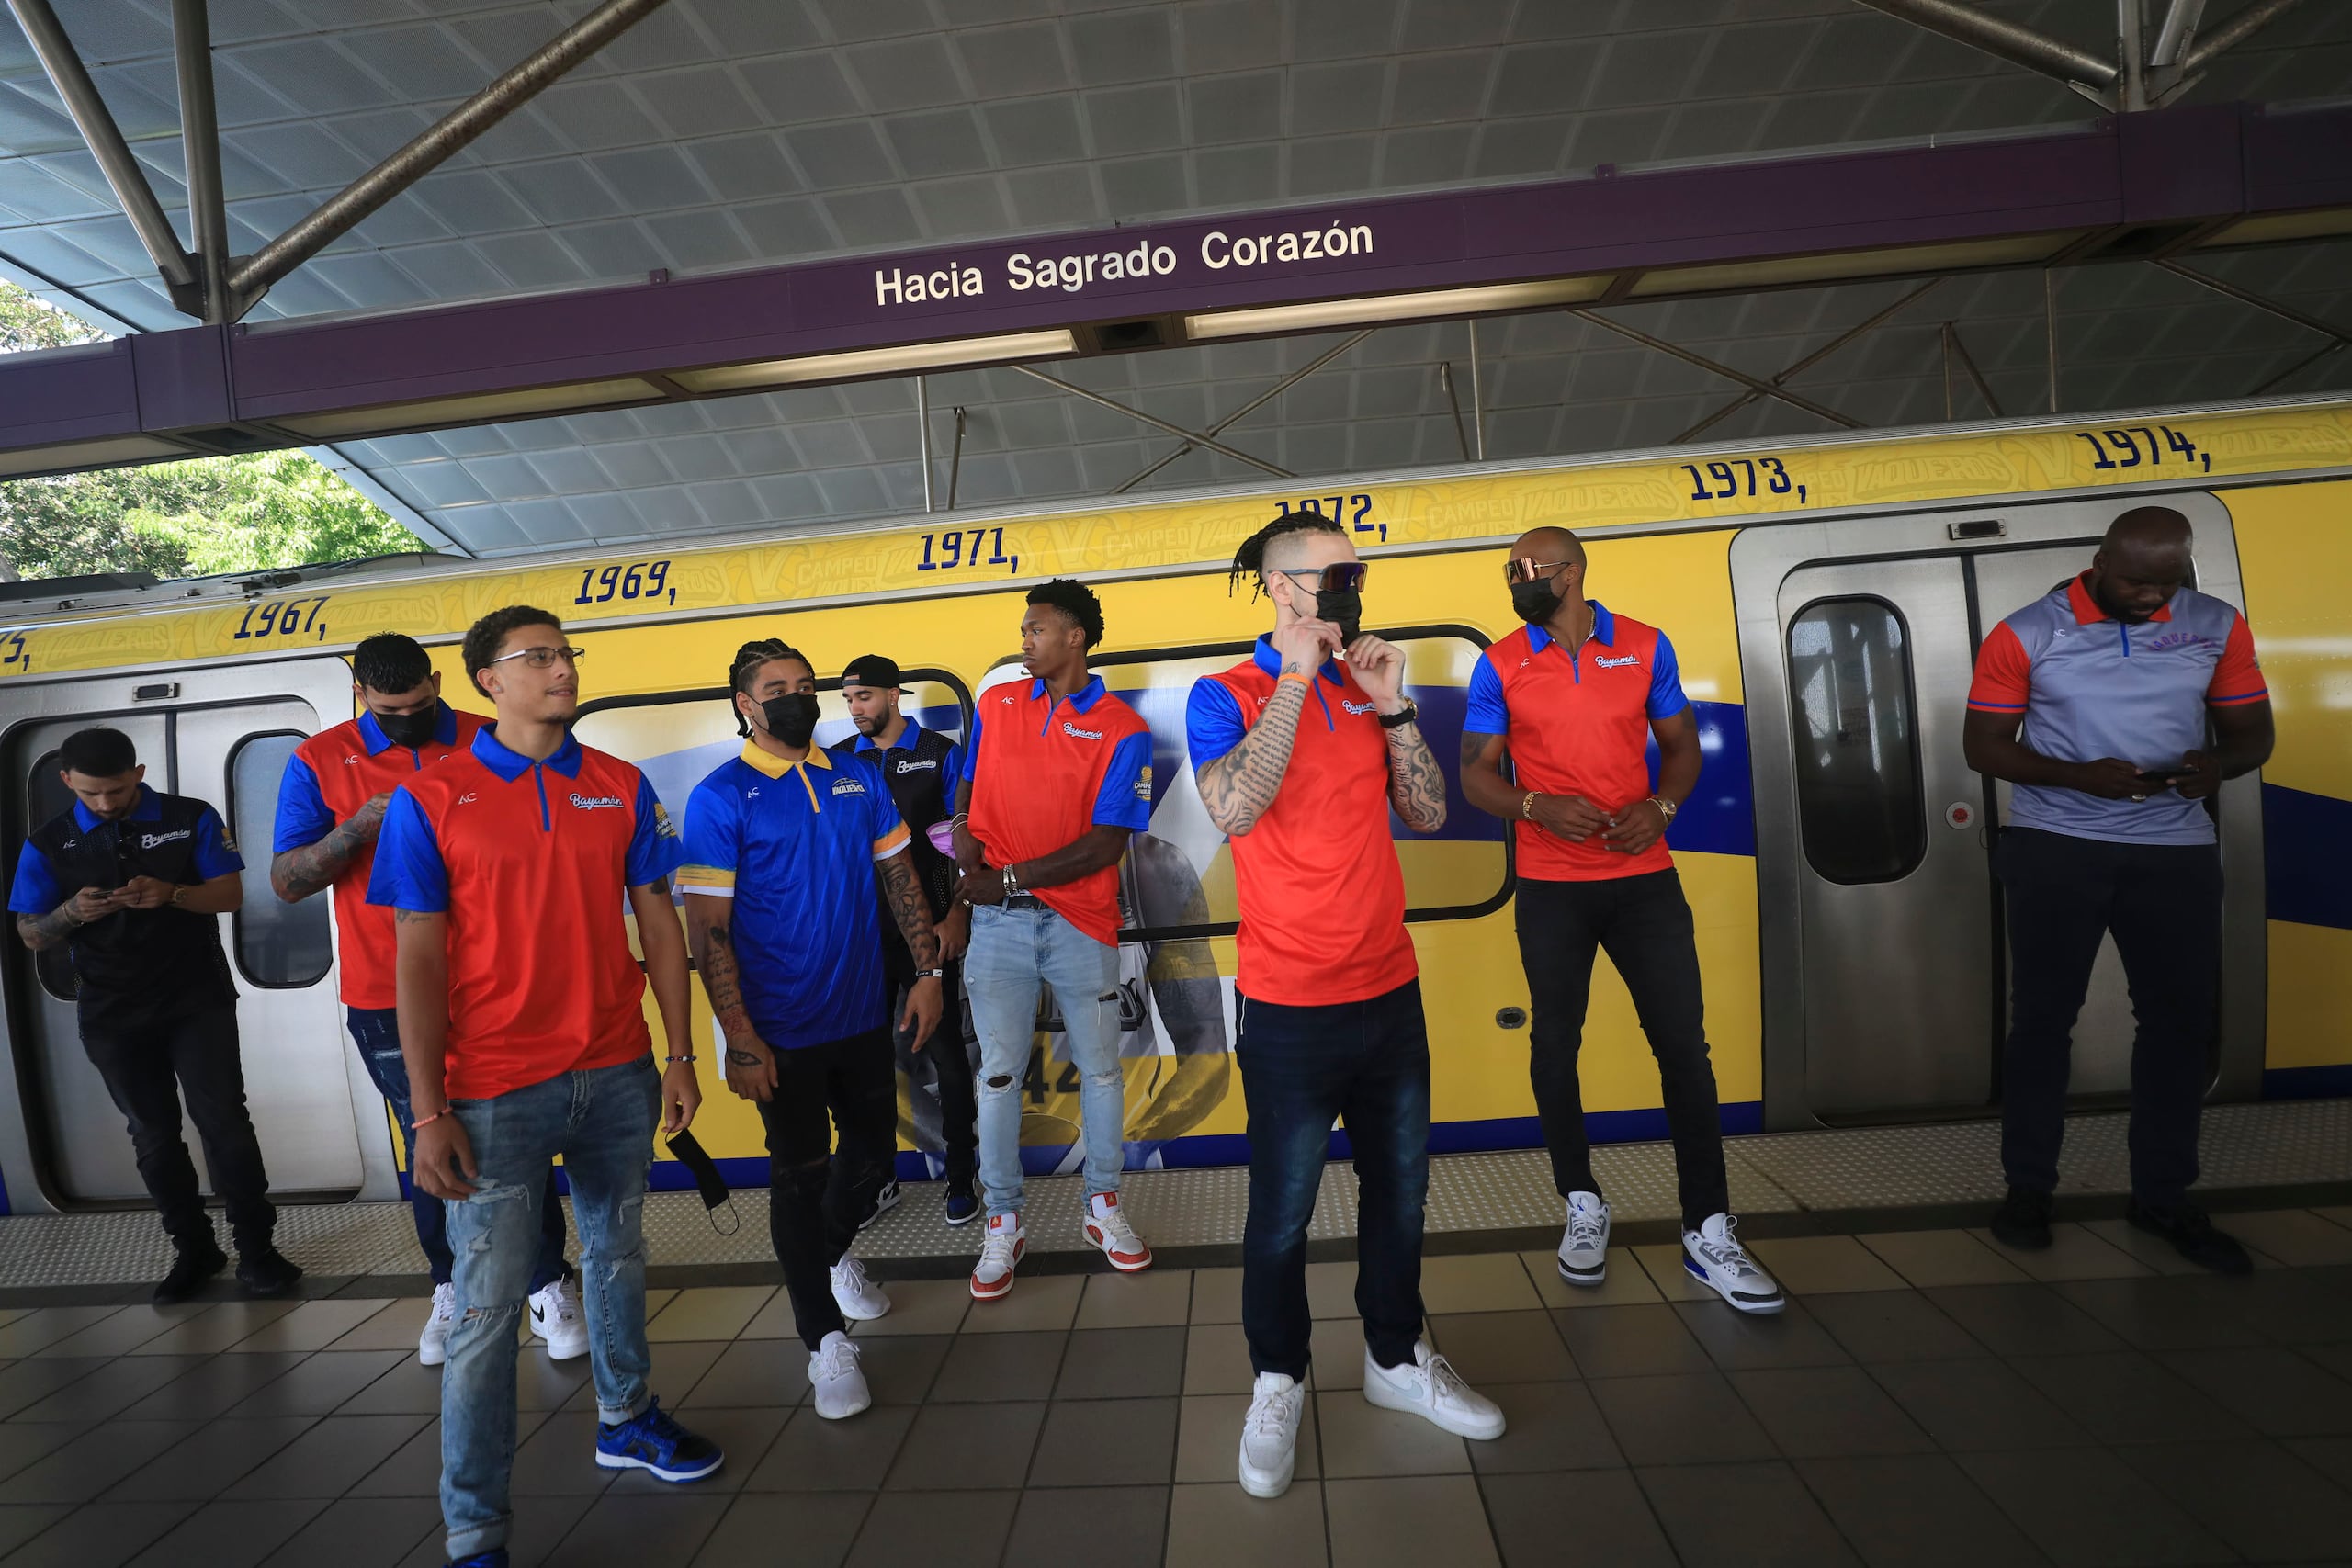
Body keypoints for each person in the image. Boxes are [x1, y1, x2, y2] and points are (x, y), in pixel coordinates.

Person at [369, 606, 722, 1568]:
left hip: (614, 1072)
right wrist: (426, 1109)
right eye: (539, 658)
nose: (561, 670)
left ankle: (627, 1417)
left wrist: (680, 1055)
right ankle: (476, 1527)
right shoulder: (433, 797)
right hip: (489, 1091)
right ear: (486, 679)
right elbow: (416, 956)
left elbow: (658, 922)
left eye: (567, 655)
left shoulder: (617, 785)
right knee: (485, 1314)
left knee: (617, 1256)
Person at [1186, 512, 1504, 1500]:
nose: (1352, 587)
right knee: (1279, 1217)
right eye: (1334, 575)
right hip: (1288, 1005)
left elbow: (1428, 812)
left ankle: (1393, 1357)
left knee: (1398, 1197)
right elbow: (1235, 808)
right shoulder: (1223, 692)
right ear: (1282, 589)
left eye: (1357, 573)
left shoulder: (1362, 689)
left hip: (1388, 993)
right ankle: (1278, 1379)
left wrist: (1394, 708)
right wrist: (1291, 677)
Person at [1460, 527, 1783, 1314]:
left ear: (1570, 573)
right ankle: (1582, 1203)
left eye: (1526, 570)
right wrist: (1533, 805)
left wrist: (1661, 806)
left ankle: (1708, 1228)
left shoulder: (1643, 645)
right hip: (1550, 888)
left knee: (1685, 1047)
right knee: (1555, 1043)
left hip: (1644, 883)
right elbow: (1475, 775)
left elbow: (1681, 747)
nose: (1515, 581)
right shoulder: (1501, 661)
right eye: (1510, 571)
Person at [1963, 506, 2272, 1274]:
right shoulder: (2027, 631)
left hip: (2175, 850)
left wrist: (2219, 767)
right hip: (2054, 848)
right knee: (2041, 1023)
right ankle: (2029, 1189)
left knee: (2177, 1025)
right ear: (2100, 560)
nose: (2151, 595)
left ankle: (2163, 1196)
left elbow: (2253, 733)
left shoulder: (2215, 624)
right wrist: (2077, 775)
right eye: (2137, 580)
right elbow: (1983, 746)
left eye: (2166, 581)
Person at [272, 632, 582, 1366]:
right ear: (362, 698)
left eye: (420, 704)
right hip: (386, 989)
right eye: (391, 710)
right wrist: (360, 827)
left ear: (441, 682)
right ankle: (450, 1282)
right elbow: (286, 880)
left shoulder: (488, 738)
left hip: (496, 984)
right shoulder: (318, 759)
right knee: (430, 1135)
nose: (409, 719)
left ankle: (544, 1279)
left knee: (508, 1137)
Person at [683, 638, 946, 1419]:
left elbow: (901, 879)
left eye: (805, 685)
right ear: (745, 705)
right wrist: (739, 1036)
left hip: (863, 1014)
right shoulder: (721, 796)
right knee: (798, 1175)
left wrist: (928, 974)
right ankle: (822, 1339)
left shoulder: (857, 776)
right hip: (781, 1034)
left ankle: (826, 1257)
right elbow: (710, 933)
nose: (797, 697)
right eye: (777, 688)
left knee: (869, 1158)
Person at [9, 727, 300, 1305]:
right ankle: (193, 1248)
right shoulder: (48, 843)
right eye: (91, 794)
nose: (105, 803)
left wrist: (171, 894)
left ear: (138, 774)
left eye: (116, 790)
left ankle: (258, 1250)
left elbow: (228, 895)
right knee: (152, 1136)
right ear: (67, 782)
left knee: (224, 1122)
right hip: (111, 1011)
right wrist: (69, 912)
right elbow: (31, 934)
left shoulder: (189, 816)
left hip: (196, 998)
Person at [954, 579, 1155, 1299]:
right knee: (999, 1074)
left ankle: (1103, 1205)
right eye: (1023, 628)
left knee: (1102, 1071)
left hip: (1081, 922)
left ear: (1076, 636)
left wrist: (1003, 878)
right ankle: (1003, 1220)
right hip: (998, 928)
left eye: (1036, 628)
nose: (1024, 639)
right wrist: (966, 846)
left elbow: (1104, 846)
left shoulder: (1124, 730)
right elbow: (968, 795)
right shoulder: (996, 704)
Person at [833, 652, 977, 1226]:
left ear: (894, 695)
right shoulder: (838, 760)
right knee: (865, 1064)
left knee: (946, 1055)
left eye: (863, 696)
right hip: (862, 941)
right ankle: (880, 1179)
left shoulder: (941, 753)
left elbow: (971, 844)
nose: (854, 708)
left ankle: (963, 1175)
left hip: (928, 934)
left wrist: (957, 915)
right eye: (847, 700)